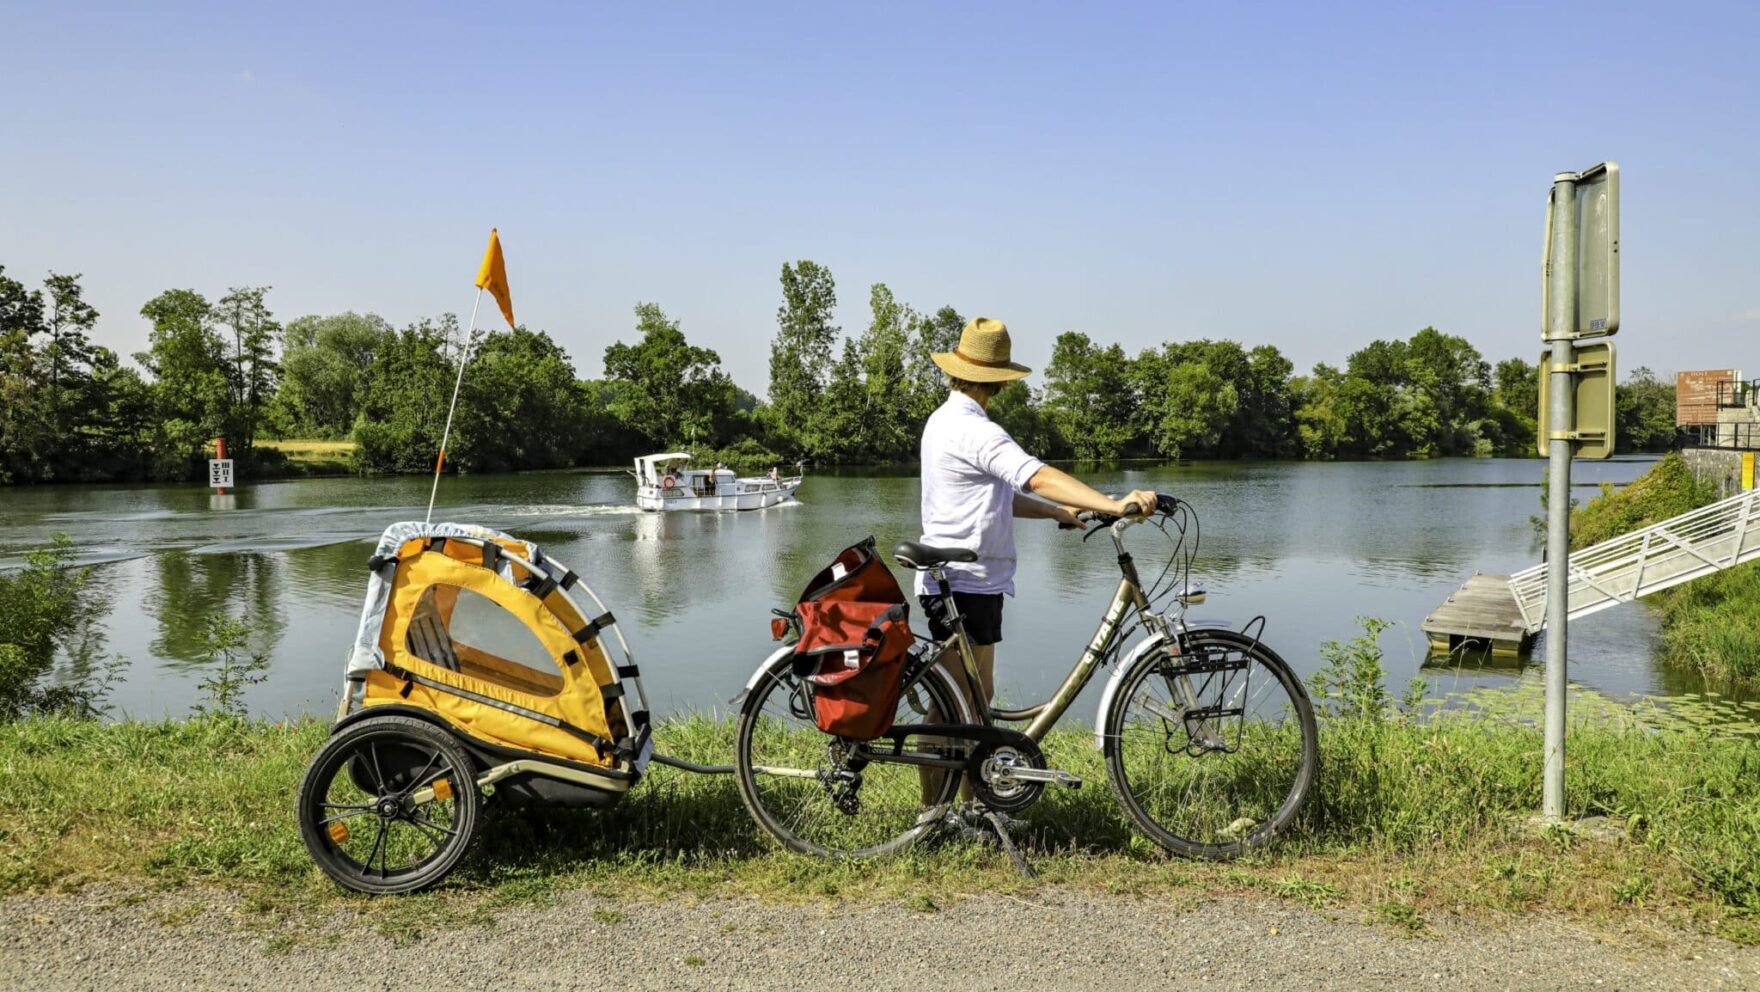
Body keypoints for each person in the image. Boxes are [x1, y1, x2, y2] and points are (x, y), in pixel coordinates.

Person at [916, 316, 1157, 713]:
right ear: (1002, 380)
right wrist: (1113, 504)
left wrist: (1056, 512)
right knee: (956, 709)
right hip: (966, 582)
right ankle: (950, 775)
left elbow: (994, 499)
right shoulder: (976, 431)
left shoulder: (943, 421)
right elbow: (1037, 476)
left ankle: (969, 777)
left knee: (972, 702)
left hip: (963, 579)